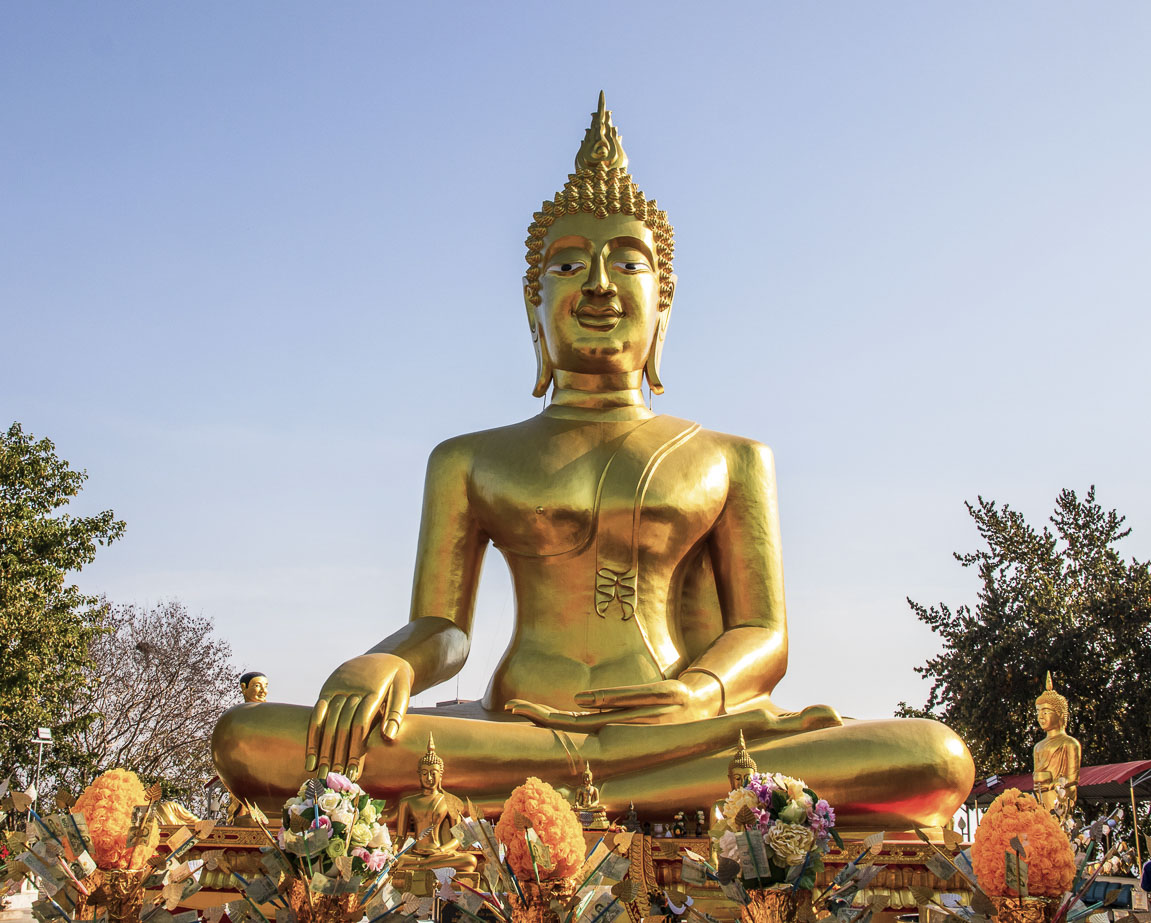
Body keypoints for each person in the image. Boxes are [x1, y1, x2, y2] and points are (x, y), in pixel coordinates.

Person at [212, 94, 974, 827]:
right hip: (517, 729)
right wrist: (386, 662)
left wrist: (701, 692)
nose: (600, 284)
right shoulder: (470, 458)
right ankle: (635, 791)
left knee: (932, 755)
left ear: (663, 302)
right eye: (570, 265)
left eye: (628, 264)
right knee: (248, 737)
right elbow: (444, 627)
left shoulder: (731, 457)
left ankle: (577, 791)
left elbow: (764, 635)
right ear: (533, 305)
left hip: (683, 727)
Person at [394, 735, 476, 873]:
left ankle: (423, 866)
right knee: (392, 862)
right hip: (415, 854)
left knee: (470, 861)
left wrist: (441, 850)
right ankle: (425, 865)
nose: (429, 778)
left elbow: (458, 839)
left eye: (433, 773)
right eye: (424, 773)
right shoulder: (406, 802)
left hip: (439, 854)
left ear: (441, 775)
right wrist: (394, 849)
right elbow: (400, 838)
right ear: (419, 775)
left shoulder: (450, 801)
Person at [1031, 672, 1080, 817]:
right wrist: (1040, 781)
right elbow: (1036, 775)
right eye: (1038, 712)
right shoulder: (1038, 747)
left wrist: (1054, 784)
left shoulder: (1069, 743)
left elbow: (1072, 778)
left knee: (1059, 819)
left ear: (1059, 713)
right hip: (1042, 796)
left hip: (1060, 795)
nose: (1040, 717)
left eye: (1045, 712)